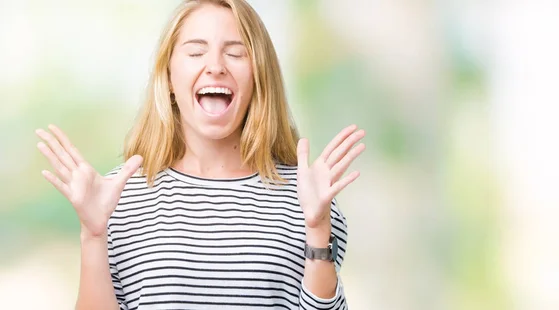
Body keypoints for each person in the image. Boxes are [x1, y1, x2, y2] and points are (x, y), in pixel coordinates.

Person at [35, 0, 365, 309]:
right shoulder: (115, 199)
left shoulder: (309, 198)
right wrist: (93, 235)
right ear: (168, 79)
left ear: (259, 77)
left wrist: (318, 226)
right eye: (196, 52)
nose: (215, 66)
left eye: (235, 53)